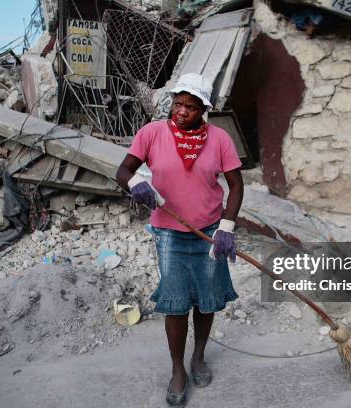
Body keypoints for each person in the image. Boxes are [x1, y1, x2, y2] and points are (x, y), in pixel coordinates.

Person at [116, 73, 244, 406]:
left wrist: (227, 227)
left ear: (204, 108)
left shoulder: (219, 139)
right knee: (175, 303)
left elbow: (236, 185)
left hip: (209, 233)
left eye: (190, 106)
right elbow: (123, 171)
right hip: (169, 233)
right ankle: (177, 369)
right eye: (177, 103)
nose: (181, 111)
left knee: (207, 299)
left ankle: (198, 356)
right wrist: (135, 185)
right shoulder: (152, 134)